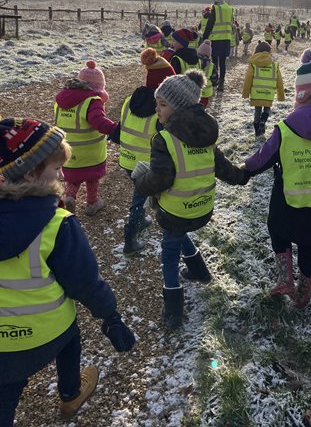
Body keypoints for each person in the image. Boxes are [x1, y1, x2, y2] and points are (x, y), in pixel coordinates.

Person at [0, 118, 135, 426]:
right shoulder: (56, 223)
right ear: (29, 173)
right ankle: (70, 393)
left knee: (6, 392)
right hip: (47, 333)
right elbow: (84, 282)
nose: (61, 175)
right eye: (55, 168)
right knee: (71, 337)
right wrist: (110, 316)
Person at [131, 70, 248, 329]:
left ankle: (173, 309)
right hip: (202, 208)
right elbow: (223, 168)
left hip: (175, 211)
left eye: (162, 104)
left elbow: (160, 180)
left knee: (169, 255)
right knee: (178, 232)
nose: (157, 110)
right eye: (157, 104)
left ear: (179, 107)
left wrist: (140, 182)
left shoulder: (165, 139)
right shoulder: (206, 136)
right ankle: (199, 270)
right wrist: (242, 176)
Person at [243, 50, 311, 308]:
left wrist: (245, 170)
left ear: (300, 94)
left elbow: (264, 156)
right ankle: (304, 293)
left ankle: (285, 280)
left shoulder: (286, 129)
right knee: (310, 247)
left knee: (279, 235)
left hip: (287, 202)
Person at [110, 48, 175, 255]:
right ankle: (131, 239)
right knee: (139, 197)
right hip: (147, 163)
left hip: (127, 159)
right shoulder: (161, 108)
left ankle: (141, 220)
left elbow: (121, 128)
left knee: (140, 192)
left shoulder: (130, 100)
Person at [54, 60, 117, 216]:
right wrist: (116, 129)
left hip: (68, 149)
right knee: (92, 178)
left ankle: (70, 196)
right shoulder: (92, 101)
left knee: (74, 178)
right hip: (90, 151)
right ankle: (92, 203)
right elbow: (99, 122)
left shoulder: (61, 100)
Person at [242, 41, 285, 137]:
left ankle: (257, 130)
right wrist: (281, 96)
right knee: (267, 109)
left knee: (257, 111)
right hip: (269, 93)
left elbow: (248, 79)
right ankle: (263, 120)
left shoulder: (253, 64)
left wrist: (245, 93)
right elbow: (279, 81)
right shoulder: (274, 65)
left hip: (256, 93)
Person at [202, 0, 234, 92]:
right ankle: (221, 83)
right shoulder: (229, 8)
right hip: (226, 39)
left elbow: (209, 25)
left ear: (216, 0)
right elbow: (232, 23)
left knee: (215, 62)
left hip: (216, 40)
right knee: (223, 62)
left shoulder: (216, 9)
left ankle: (214, 81)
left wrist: (204, 37)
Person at [197, 39, 218, 107]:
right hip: (207, 91)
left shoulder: (195, 62)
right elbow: (215, 77)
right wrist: (214, 86)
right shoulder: (211, 65)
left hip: (196, 90)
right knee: (204, 106)